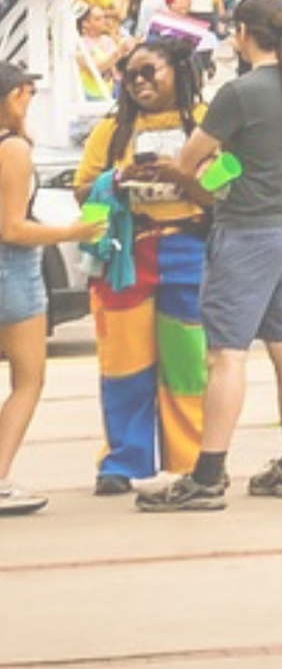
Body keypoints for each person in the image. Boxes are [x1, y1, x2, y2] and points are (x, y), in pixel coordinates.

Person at [138, 0, 282, 512]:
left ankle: (208, 474)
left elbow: (191, 157)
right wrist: (223, 174)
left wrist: (178, 175)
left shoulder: (240, 92)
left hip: (247, 232)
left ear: (245, 33)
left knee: (225, 354)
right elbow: (259, 163)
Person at [76, 39, 211, 492]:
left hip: (188, 251)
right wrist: (115, 180)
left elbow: (232, 179)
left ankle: (194, 460)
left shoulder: (208, 121)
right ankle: (122, 461)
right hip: (127, 255)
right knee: (124, 364)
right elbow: (81, 188)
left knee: (188, 365)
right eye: (130, 75)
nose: (138, 82)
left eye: (149, 71)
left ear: (179, 69)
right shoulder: (112, 129)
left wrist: (185, 180)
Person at [0, 61, 108, 513]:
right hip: (12, 270)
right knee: (28, 379)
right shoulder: (12, 150)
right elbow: (11, 228)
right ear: (14, 96)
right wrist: (73, 233)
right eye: (26, 92)